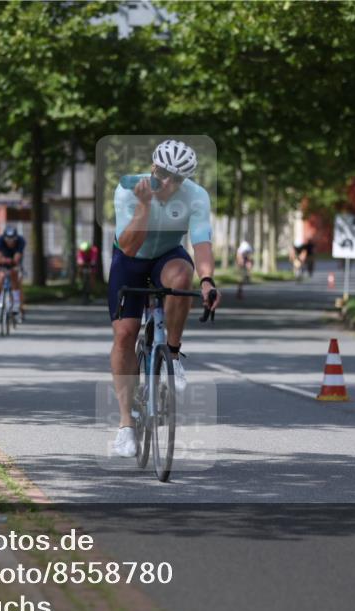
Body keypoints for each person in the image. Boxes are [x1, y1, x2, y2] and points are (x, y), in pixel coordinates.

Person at [109, 139, 220, 457]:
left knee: (182, 278)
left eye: (178, 179)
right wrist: (145, 205)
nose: (170, 183)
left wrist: (208, 280)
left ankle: (171, 354)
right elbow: (129, 247)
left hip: (167, 255)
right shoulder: (128, 188)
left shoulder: (196, 196)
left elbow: (200, 240)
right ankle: (125, 426)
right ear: (153, 167)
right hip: (130, 258)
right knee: (125, 334)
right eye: (165, 174)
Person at [0, 225, 25, 322]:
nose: (10, 242)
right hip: (3, 262)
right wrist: (3, 260)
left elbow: (17, 258)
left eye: (12, 240)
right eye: (8, 240)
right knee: (1, 278)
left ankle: (16, 305)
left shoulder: (20, 241)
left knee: (15, 277)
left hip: (14, 262)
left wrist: (12, 262)